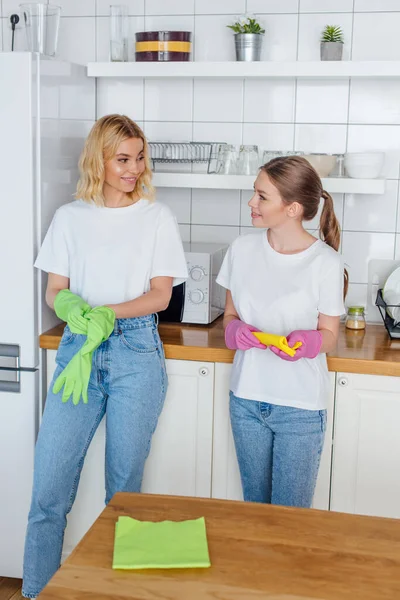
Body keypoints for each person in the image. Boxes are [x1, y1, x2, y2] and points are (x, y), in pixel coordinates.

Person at [22, 114, 188, 599]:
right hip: (79, 353)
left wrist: (106, 314)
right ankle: (35, 592)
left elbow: (160, 296)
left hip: (136, 352)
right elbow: (54, 290)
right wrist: (72, 307)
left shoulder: (157, 217)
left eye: (139, 158)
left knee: (124, 492)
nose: (134, 168)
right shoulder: (70, 217)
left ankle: (119, 593)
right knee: (49, 490)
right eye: (122, 159)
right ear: (99, 158)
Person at [216, 156, 347, 509]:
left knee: (290, 521)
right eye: (253, 194)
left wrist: (311, 342)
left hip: (300, 408)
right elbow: (229, 316)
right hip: (246, 400)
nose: (251, 203)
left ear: (292, 208)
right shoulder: (241, 250)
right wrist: (236, 333)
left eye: (262, 197)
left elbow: (330, 335)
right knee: (256, 512)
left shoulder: (326, 263)